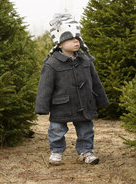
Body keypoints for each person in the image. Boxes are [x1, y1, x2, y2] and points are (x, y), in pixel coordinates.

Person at [35, 13, 109, 165]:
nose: (76, 41)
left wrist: (101, 100)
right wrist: (42, 107)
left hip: (84, 104)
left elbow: (96, 82)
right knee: (56, 130)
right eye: (70, 38)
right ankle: (56, 152)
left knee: (86, 129)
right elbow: (44, 87)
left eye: (77, 38)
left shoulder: (86, 61)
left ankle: (86, 152)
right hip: (61, 105)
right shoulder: (52, 64)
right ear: (59, 44)